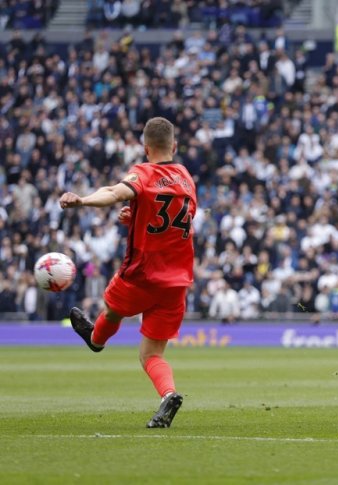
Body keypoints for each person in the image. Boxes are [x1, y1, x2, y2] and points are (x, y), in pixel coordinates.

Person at [59, 117, 196, 429]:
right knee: (151, 355)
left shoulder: (143, 173)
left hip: (141, 276)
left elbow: (113, 192)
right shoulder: (187, 179)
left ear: (146, 149)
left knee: (112, 311)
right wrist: (137, 217)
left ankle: (95, 340)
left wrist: (83, 200)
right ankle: (168, 394)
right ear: (174, 146)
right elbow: (177, 221)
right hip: (176, 282)